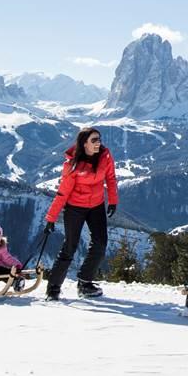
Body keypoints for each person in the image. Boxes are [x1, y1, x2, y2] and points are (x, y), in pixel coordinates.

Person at [44, 126, 118, 300]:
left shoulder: (105, 156)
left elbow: (111, 178)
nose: (98, 143)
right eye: (94, 140)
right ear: (84, 143)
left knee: (100, 243)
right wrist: (51, 218)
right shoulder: (72, 164)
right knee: (70, 246)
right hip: (75, 208)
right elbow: (62, 193)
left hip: (96, 206)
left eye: (99, 139)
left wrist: (113, 200)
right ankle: (53, 289)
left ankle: (85, 283)